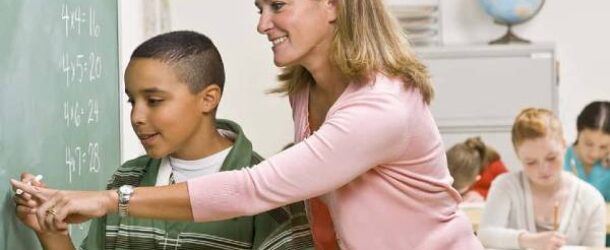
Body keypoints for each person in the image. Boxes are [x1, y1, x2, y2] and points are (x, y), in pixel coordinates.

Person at [11, 1, 483, 249]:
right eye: (260, 8)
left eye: (278, 5)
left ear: (334, 5)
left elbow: (255, 189)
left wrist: (110, 201)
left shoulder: (382, 106)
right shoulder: (307, 89)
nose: (263, 24)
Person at [12, 31, 313, 250]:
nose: (137, 117)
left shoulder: (270, 195)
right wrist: (51, 233)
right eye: (132, 101)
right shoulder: (127, 178)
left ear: (208, 99)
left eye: (154, 101)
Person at [478, 108, 606, 249]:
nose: (543, 169)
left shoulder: (591, 199)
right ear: (518, 156)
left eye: (551, 158)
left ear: (563, 145)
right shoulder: (505, 186)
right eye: (531, 162)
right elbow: (485, 235)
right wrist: (530, 241)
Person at [564, 101, 610, 201]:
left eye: (603, 147)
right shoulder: (560, 160)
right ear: (578, 131)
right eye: (589, 144)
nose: (594, 153)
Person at [446, 137, 508, 202]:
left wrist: (482, 195)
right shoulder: (455, 165)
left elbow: (508, 191)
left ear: (476, 178)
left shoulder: (495, 166)